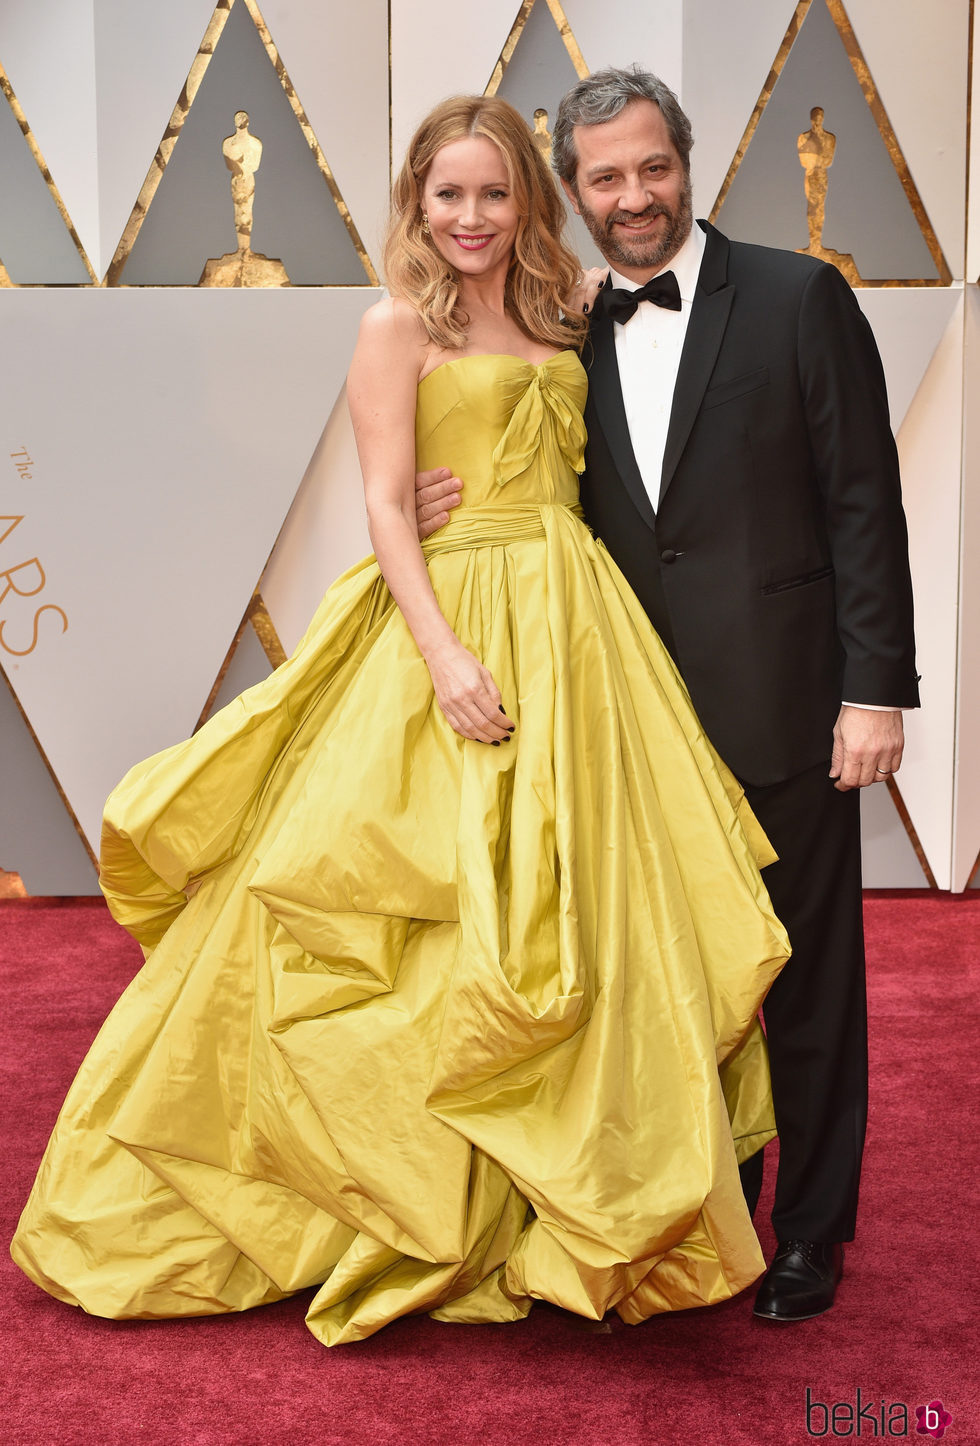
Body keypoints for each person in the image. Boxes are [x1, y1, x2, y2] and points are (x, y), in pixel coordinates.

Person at [11, 95, 789, 1348]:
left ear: (525, 201)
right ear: (415, 207)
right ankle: (388, 1200)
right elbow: (382, 504)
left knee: (574, 910)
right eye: (448, 196)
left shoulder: (565, 310)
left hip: (577, 626)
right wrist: (441, 654)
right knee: (416, 914)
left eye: (493, 194)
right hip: (455, 623)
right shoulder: (392, 326)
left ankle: (542, 1204)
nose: (471, 217)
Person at [417, 68, 919, 1323]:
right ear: (571, 192)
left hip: (783, 704)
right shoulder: (557, 320)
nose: (631, 196)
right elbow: (520, 475)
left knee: (796, 980)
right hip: (621, 717)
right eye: (603, 177)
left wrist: (873, 694)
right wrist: (447, 501)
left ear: (685, 164)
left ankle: (808, 1232)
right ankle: (705, 1221)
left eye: (651, 168)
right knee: (663, 981)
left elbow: (864, 499)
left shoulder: (801, 298)